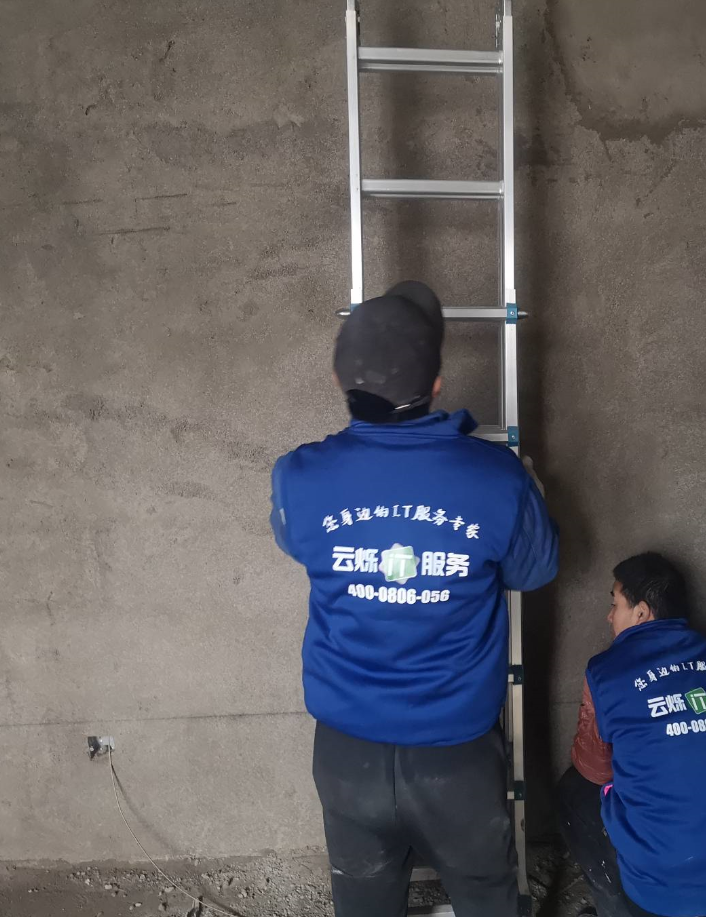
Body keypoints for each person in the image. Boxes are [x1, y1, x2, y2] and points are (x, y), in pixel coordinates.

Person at [269, 280, 559, 917]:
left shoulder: (298, 477)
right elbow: (533, 572)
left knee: (363, 901)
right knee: (486, 898)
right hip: (457, 756)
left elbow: (297, 544)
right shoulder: (497, 480)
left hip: (346, 755)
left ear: (339, 378)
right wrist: (526, 492)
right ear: (437, 385)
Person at [557, 552, 706, 917]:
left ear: (641, 612)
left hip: (668, 902)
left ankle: (614, 910)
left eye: (615, 604)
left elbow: (594, 768)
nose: (609, 616)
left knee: (576, 791)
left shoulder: (606, 670)